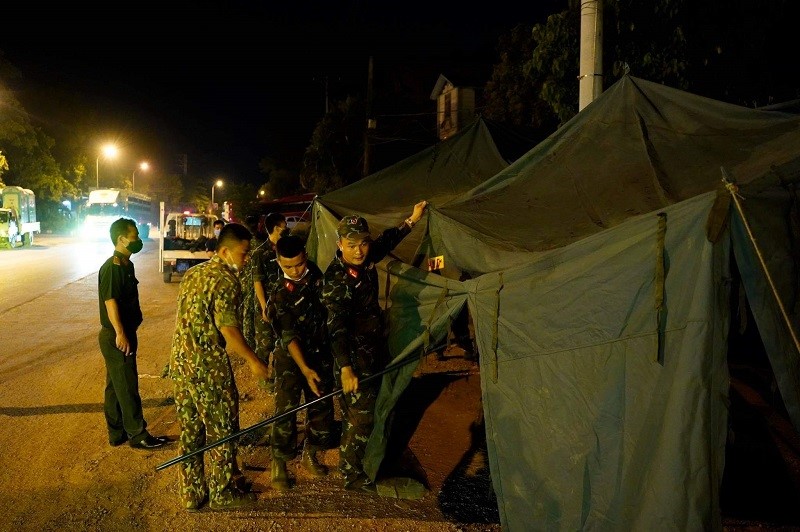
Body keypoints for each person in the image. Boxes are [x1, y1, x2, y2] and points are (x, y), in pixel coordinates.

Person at [321, 200, 428, 492]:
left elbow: (385, 241)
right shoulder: (336, 280)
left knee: (366, 414)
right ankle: (352, 476)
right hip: (353, 360)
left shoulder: (366, 259)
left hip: (370, 352)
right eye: (352, 244)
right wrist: (345, 368)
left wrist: (412, 220)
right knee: (359, 419)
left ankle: (360, 464)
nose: (359, 250)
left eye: (363, 244)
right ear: (340, 243)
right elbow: (335, 327)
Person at [169, 222, 271, 512]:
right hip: (207, 367)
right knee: (223, 428)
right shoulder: (226, 281)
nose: (247, 258)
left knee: (191, 430)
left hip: (181, 364)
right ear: (225, 251)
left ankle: (191, 493)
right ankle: (222, 492)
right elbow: (228, 329)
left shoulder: (193, 273)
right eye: (243, 253)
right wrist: (254, 361)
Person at [98, 217, 171, 450]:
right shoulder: (112, 267)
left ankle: (117, 432)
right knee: (127, 385)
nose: (138, 239)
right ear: (121, 239)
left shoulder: (127, 264)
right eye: (134, 235)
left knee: (115, 386)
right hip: (117, 335)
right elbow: (110, 302)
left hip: (124, 332)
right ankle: (137, 434)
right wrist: (121, 333)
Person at [268, 234, 335, 491]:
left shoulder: (316, 273)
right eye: (288, 266)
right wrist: (305, 368)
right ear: (278, 261)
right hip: (291, 359)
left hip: (320, 353)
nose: (295, 271)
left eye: (299, 264)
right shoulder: (278, 295)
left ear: (305, 256)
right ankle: (280, 461)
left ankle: (311, 452)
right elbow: (289, 336)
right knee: (286, 409)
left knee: (321, 405)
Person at [252, 212, 288, 391]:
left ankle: (281, 376)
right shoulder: (261, 252)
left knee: (283, 343)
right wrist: (263, 306)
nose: (286, 228)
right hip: (267, 304)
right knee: (265, 343)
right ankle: (265, 379)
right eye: (284, 225)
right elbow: (257, 281)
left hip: (284, 304)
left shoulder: (285, 248)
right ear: (276, 228)